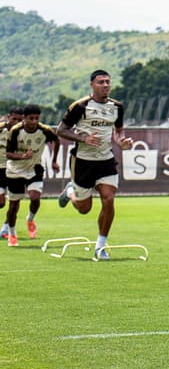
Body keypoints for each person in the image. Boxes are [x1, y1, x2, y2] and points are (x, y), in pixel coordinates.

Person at [57, 70, 134, 260]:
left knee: (108, 199)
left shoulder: (117, 106)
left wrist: (121, 142)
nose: (105, 85)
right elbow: (61, 130)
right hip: (83, 162)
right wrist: (83, 138)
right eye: (101, 82)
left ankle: (100, 246)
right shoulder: (80, 106)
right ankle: (70, 193)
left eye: (108, 82)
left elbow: (118, 131)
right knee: (84, 209)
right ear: (92, 85)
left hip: (105, 160)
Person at [4, 105, 59, 246]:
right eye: (31, 118)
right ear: (24, 118)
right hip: (15, 171)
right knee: (13, 206)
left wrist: (54, 161)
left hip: (34, 168)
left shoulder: (45, 130)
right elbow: (8, 154)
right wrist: (22, 156)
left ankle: (30, 219)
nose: (34, 121)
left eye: (36, 118)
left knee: (35, 198)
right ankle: (12, 234)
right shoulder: (15, 131)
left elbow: (57, 140)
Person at [0, 106, 25, 239]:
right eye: (14, 118)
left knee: (14, 202)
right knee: (1, 202)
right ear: (8, 117)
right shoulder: (1, 129)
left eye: (19, 120)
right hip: (0, 169)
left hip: (16, 169)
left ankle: (5, 228)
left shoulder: (24, 132)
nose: (16, 122)